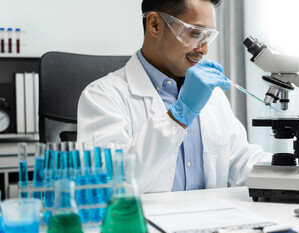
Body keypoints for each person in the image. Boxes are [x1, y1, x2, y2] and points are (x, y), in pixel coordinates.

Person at [77, 0, 271, 193]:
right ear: (155, 25)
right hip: (147, 222)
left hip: (212, 219)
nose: (204, 49)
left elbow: (242, 161)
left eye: (208, 37)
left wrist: (294, 169)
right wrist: (178, 116)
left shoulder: (211, 96)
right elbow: (105, 183)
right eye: (195, 33)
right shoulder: (102, 96)